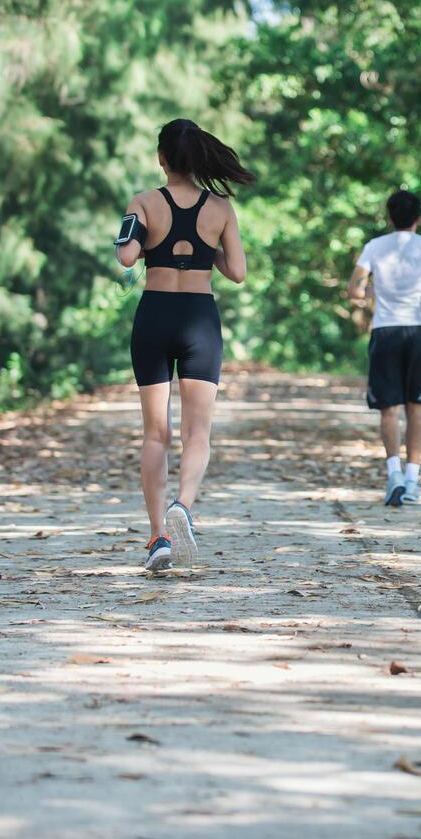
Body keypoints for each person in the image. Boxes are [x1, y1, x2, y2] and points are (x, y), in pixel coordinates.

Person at [114, 119, 254, 571]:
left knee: (155, 434)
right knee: (199, 432)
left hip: (154, 317)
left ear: (162, 158)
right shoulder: (221, 209)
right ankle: (184, 507)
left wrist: (155, 240)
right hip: (199, 320)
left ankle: (157, 537)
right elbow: (237, 272)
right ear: (198, 161)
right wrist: (203, 245)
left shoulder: (144, 202)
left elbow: (126, 256)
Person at [347, 190, 421, 506]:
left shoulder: (374, 247)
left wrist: (368, 296)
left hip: (386, 330)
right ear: (418, 219)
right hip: (419, 329)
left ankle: (393, 473)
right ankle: (412, 480)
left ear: (390, 218)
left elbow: (354, 289)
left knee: (388, 408)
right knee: (415, 406)